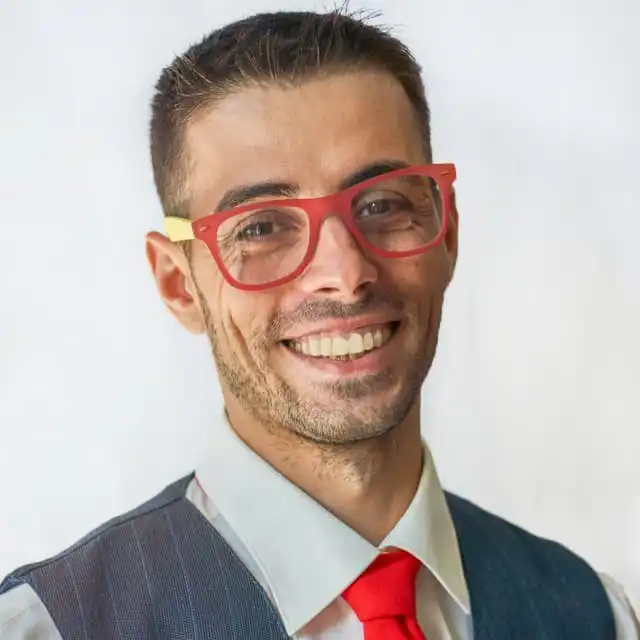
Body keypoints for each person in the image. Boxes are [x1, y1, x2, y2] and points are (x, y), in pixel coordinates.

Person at [0, 8, 638, 640]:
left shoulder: (595, 617)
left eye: (383, 205)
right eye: (261, 227)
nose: (345, 272)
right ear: (179, 283)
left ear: (447, 232)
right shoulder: (46, 630)